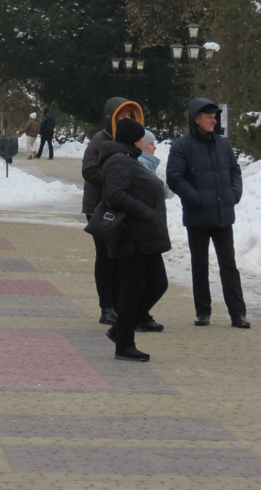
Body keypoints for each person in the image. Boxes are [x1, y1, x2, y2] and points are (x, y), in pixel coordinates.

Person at [166, 98, 249, 329]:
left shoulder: (222, 144)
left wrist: (234, 194)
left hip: (223, 214)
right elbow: (174, 177)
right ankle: (203, 311)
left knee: (229, 264)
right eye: (209, 116)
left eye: (215, 116)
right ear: (197, 119)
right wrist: (196, 198)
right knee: (200, 264)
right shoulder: (182, 146)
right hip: (198, 216)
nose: (214, 120)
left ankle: (238, 313)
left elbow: (235, 171)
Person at [98, 117, 171, 361]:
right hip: (131, 236)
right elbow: (115, 195)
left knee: (158, 284)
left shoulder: (129, 158)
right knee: (132, 290)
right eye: (142, 137)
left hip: (144, 237)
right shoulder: (119, 160)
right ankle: (124, 344)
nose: (146, 141)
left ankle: (121, 330)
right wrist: (146, 212)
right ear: (133, 139)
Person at [82, 96, 143, 325]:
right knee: (106, 257)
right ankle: (106, 306)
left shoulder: (132, 139)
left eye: (130, 116)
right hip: (101, 207)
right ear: (111, 118)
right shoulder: (101, 139)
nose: (126, 120)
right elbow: (89, 171)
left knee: (123, 257)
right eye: (122, 116)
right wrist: (115, 179)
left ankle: (121, 304)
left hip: (124, 205)